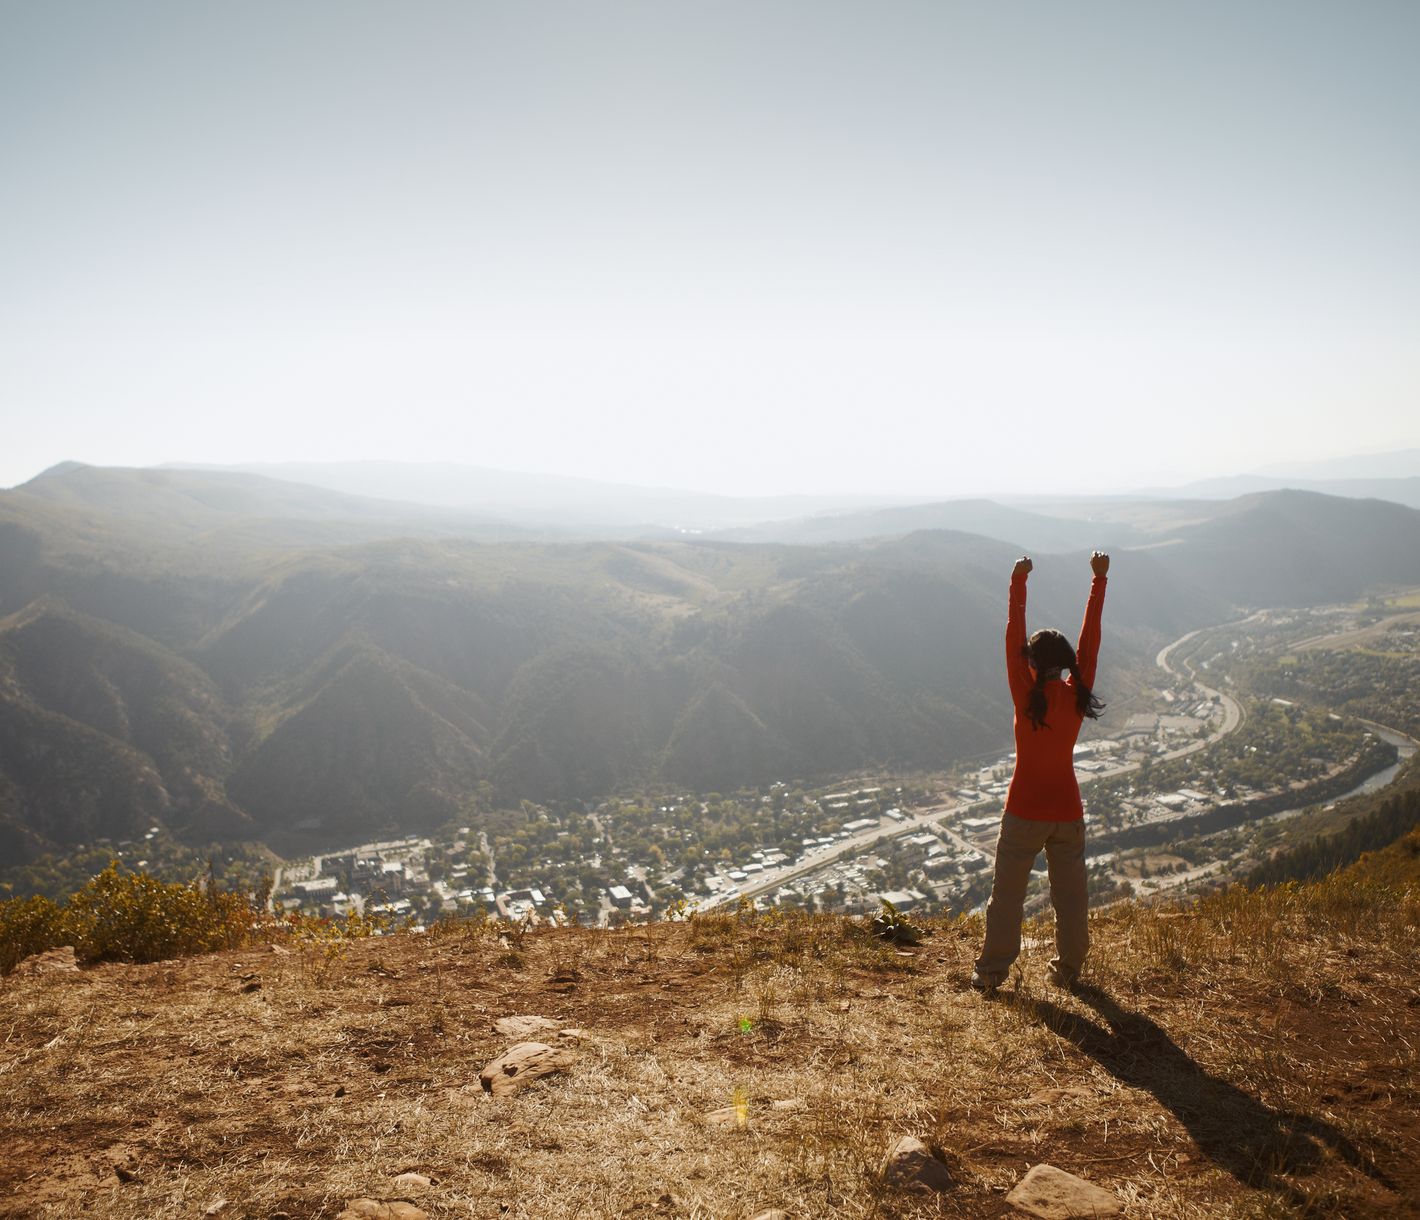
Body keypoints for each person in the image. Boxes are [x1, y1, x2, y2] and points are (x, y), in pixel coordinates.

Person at [972, 550, 1109, 992]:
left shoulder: (1024, 695)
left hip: (1024, 810)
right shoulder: (1077, 693)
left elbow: (1012, 637)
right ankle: (1069, 971)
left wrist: (1017, 583)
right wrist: (1098, 582)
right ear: (1064, 661)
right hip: (1067, 811)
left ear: (1031, 662)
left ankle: (993, 974)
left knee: (1007, 899)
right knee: (1071, 899)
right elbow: (1090, 644)